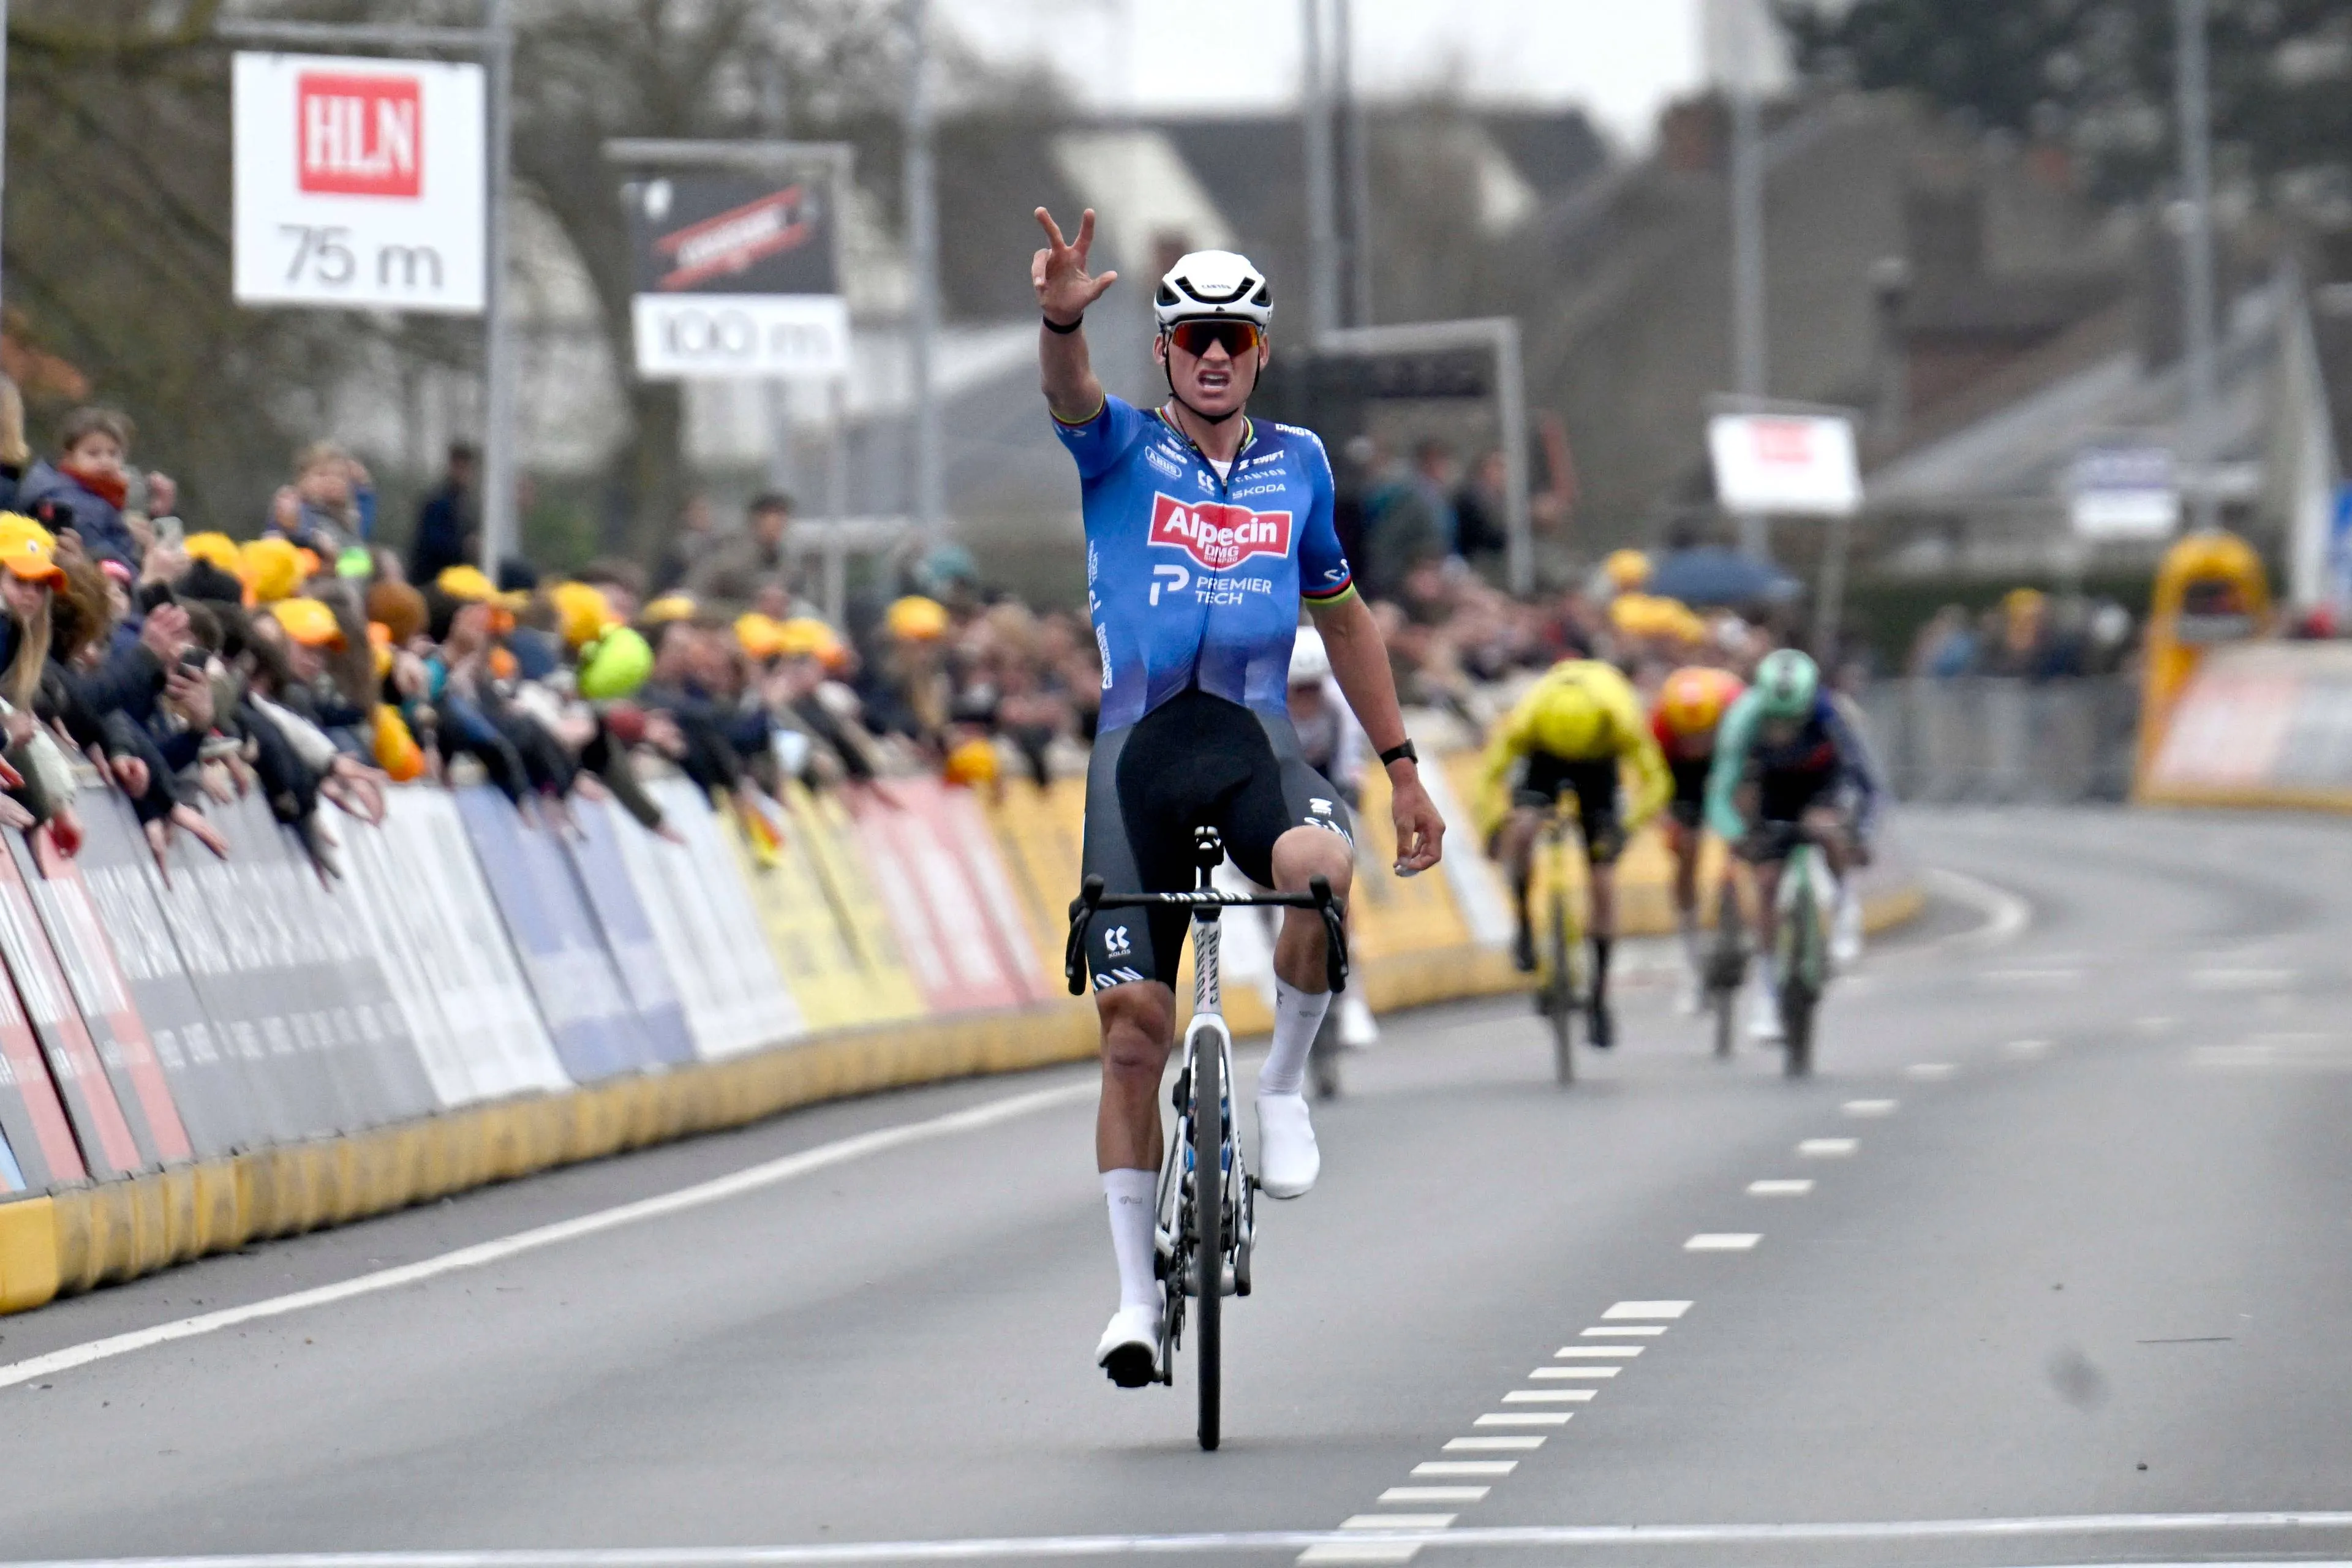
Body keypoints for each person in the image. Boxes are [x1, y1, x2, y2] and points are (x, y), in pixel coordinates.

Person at [1032, 207, 1444, 1387]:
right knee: (1132, 1034)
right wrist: (1062, 322)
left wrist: (1402, 767)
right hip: (1138, 757)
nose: (1215, 355)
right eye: (1194, 338)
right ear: (1165, 350)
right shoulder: (1119, 447)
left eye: (1237, 339)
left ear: (1261, 353)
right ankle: (1132, 1302)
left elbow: (1346, 622)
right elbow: (1069, 391)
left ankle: (1281, 1088)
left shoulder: (1300, 462)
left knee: (1321, 879)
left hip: (1255, 743)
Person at [1474, 649, 1670, 1049]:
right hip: (1544, 761)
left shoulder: (1620, 719)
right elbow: (1489, 777)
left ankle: (1599, 997)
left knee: (1603, 878)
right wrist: (1493, 827)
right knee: (1523, 828)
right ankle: (1524, 922)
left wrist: (1625, 829)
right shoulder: (1530, 718)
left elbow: (1657, 783)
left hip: (1599, 766)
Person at [1703, 648, 1881, 1041]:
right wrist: (1736, 833)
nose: (1783, 729)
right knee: (1766, 882)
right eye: (1775, 719)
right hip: (1772, 791)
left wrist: (1860, 833)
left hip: (1821, 785)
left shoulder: (1831, 716)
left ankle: (1844, 908)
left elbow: (1867, 784)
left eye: (1792, 720)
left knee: (1827, 829)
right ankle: (1767, 994)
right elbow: (1721, 791)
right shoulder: (1744, 719)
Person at [1287, 626, 1378, 1049]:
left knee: (1338, 889)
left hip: (1324, 786)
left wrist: (1350, 802)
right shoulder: (1265, 705)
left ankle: (1352, 996)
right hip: (1279, 785)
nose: (1307, 697)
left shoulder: (1339, 706)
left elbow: (1349, 766)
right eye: (1298, 689)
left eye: (1313, 687)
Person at [1651, 664, 1746, 1011]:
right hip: (1681, 775)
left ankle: (1734, 894)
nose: (1697, 745)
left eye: (1704, 735)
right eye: (1689, 738)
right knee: (1686, 848)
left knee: (1743, 829)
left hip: (1731, 761)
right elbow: (1652, 780)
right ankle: (1689, 950)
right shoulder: (1662, 723)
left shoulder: (1736, 708)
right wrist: (1667, 821)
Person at [15, 406, 148, 571]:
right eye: (93, 454)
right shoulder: (72, 501)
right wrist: (136, 572)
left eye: (113, 454)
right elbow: (100, 552)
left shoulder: (101, 493)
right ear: (69, 456)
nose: (105, 461)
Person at [687, 492, 794, 605]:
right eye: (774, 518)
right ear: (757, 520)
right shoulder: (730, 553)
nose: (779, 524)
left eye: (783, 518)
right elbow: (698, 587)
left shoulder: (786, 560)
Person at [410, 441, 478, 586]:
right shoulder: (438, 502)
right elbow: (432, 544)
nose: (464, 474)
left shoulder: (467, 504)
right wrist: (464, 547)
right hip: (433, 580)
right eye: (460, 467)